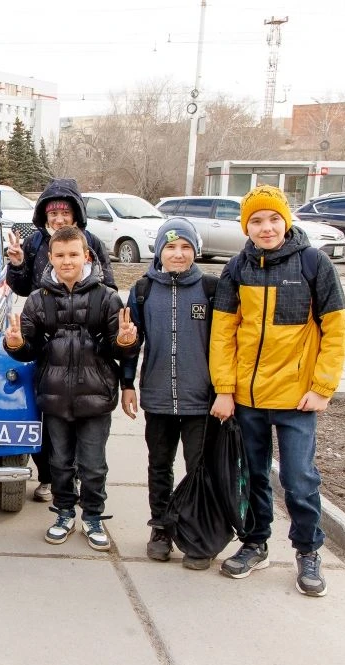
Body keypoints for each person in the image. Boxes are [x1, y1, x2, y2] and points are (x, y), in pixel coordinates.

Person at [209, 185, 345, 597]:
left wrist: (323, 387)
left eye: (272, 219)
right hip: (247, 399)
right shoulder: (236, 269)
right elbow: (223, 334)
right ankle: (255, 541)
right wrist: (224, 389)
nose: (265, 228)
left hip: (296, 399)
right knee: (252, 476)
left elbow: (335, 330)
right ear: (245, 226)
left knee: (299, 478)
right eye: (256, 220)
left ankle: (308, 550)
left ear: (285, 221)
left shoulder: (313, 264)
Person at [4, 226, 138, 551]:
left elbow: (119, 349)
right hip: (54, 396)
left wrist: (125, 341)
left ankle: (92, 515)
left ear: (86, 256)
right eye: (60, 255)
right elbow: (29, 349)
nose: (67, 261)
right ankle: (64, 512)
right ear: (50, 258)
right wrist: (16, 345)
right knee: (59, 463)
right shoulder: (38, 300)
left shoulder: (106, 298)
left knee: (93, 465)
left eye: (74, 254)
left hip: (95, 397)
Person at [6, 178, 116, 505]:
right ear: (44, 216)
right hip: (49, 346)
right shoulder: (35, 244)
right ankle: (50, 477)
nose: (58, 219)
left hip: (88, 353)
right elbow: (24, 288)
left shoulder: (91, 242)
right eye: (53, 214)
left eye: (64, 213)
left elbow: (106, 288)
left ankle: (83, 481)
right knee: (48, 417)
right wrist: (17, 264)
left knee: (87, 430)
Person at [120, 218, 220, 569]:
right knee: (159, 466)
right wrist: (128, 384)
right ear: (159, 250)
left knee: (199, 470)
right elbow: (132, 342)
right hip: (159, 398)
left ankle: (195, 534)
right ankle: (161, 528)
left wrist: (224, 392)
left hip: (201, 401)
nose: (178, 254)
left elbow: (225, 344)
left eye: (185, 247)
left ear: (196, 250)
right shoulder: (144, 290)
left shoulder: (210, 289)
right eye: (170, 247)